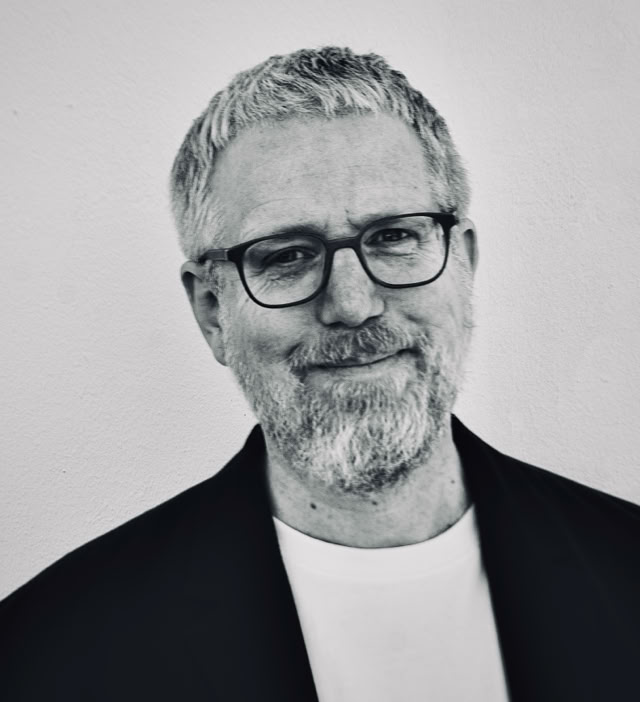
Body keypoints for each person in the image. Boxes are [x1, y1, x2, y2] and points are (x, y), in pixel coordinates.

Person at [1, 46, 638, 702]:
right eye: (287, 256)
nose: (353, 304)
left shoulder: (625, 565)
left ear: (463, 264)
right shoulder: (44, 656)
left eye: (393, 237)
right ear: (213, 310)